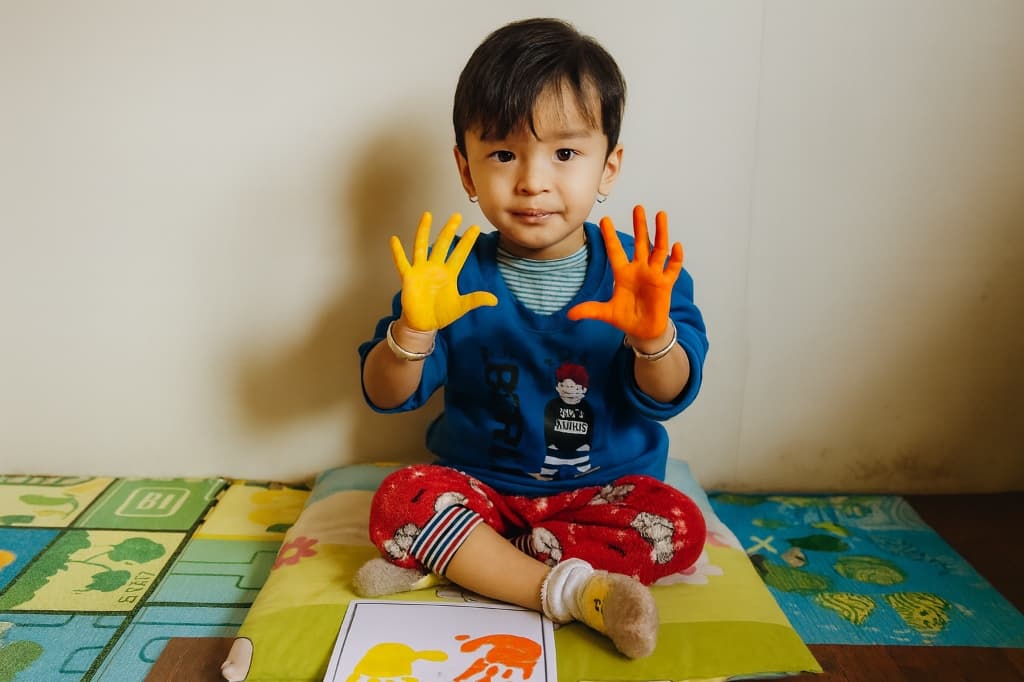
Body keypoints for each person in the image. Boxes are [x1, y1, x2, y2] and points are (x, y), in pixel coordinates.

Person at [354, 17, 709, 659]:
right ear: (466, 169)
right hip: (481, 490)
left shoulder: (640, 275)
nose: (532, 181)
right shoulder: (449, 275)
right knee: (400, 498)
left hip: (604, 493)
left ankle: (475, 565)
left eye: (565, 154)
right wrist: (412, 330)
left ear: (609, 167)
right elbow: (384, 393)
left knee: (679, 522)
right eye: (503, 154)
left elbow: (671, 394)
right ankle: (572, 591)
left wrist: (654, 337)